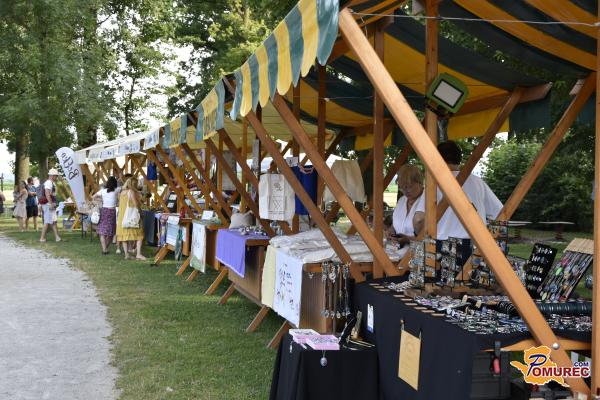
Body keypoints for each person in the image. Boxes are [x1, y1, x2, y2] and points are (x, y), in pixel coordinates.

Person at [436, 141, 503, 263]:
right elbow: (499, 212)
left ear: (437, 158)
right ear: (459, 159)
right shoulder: (478, 182)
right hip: (475, 244)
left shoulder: (434, 184)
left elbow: (420, 218)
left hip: (443, 245)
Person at [387, 164, 425, 257]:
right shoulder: (402, 200)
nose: (405, 191)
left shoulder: (427, 200)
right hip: (398, 251)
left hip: (418, 255)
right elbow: (395, 224)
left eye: (408, 186)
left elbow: (430, 237)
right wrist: (391, 232)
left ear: (419, 182)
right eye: (402, 187)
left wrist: (408, 239)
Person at [116, 178, 146, 260]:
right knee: (139, 234)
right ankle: (138, 254)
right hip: (131, 217)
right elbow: (136, 204)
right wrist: (140, 212)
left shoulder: (122, 192)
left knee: (124, 236)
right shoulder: (131, 192)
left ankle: (127, 254)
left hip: (122, 217)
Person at [93, 176, 119, 255]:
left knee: (102, 232)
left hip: (104, 211)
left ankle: (104, 249)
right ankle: (105, 249)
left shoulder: (102, 191)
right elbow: (125, 186)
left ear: (107, 183)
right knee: (111, 232)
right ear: (115, 183)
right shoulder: (117, 190)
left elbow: (93, 197)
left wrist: (101, 200)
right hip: (112, 212)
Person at [40, 168, 62, 242]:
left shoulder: (51, 183)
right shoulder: (48, 183)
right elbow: (47, 194)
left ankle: (57, 237)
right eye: (56, 175)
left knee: (53, 221)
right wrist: (50, 203)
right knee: (48, 221)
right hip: (48, 204)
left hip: (50, 204)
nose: (56, 177)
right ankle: (42, 238)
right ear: (52, 175)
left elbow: (50, 193)